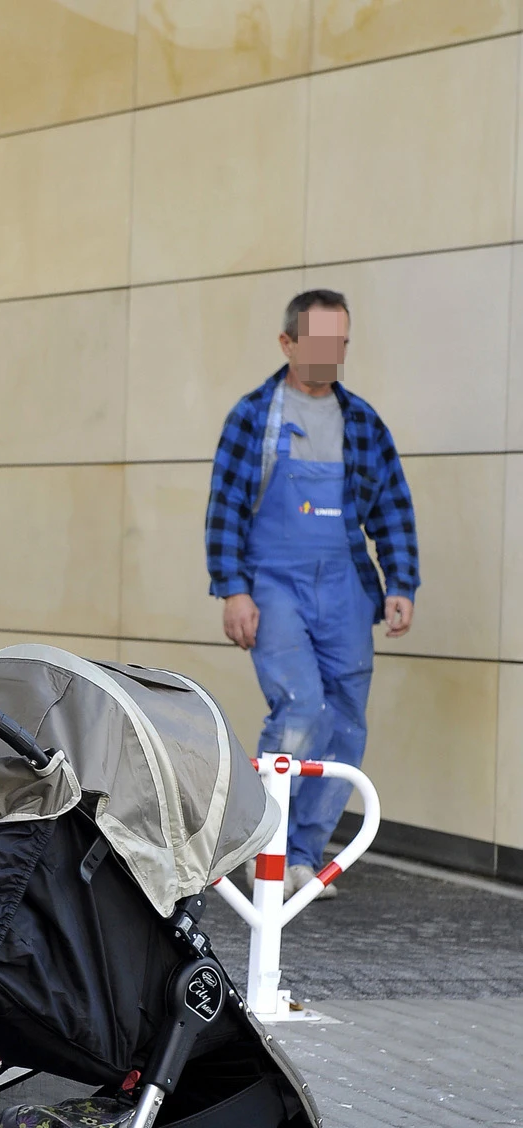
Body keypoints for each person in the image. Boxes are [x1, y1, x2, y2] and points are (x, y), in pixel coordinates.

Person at [205, 290, 419, 897]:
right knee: (302, 706)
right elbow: (225, 512)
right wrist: (234, 591)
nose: (331, 353)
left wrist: (399, 582)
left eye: (340, 343)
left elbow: (393, 509)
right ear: (288, 343)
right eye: (320, 341)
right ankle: (261, 844)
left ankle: (303, 856)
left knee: (347, 723)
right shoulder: (253, 416)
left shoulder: (363, 423)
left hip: (345, 585)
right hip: (274, 584)